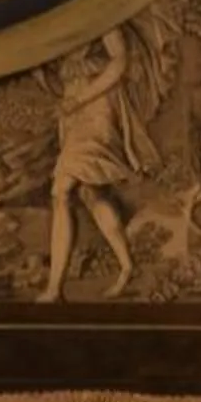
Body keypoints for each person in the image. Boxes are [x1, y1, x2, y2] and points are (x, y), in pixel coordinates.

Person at [45, 26, 143, 299]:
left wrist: (79, 99)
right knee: (90, 193)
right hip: (73, 114)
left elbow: (120, 61)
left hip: (97, 106)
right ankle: (126, 265)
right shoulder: (59, 16)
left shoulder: (100, 10)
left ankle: (54, 288)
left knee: (61, 190)